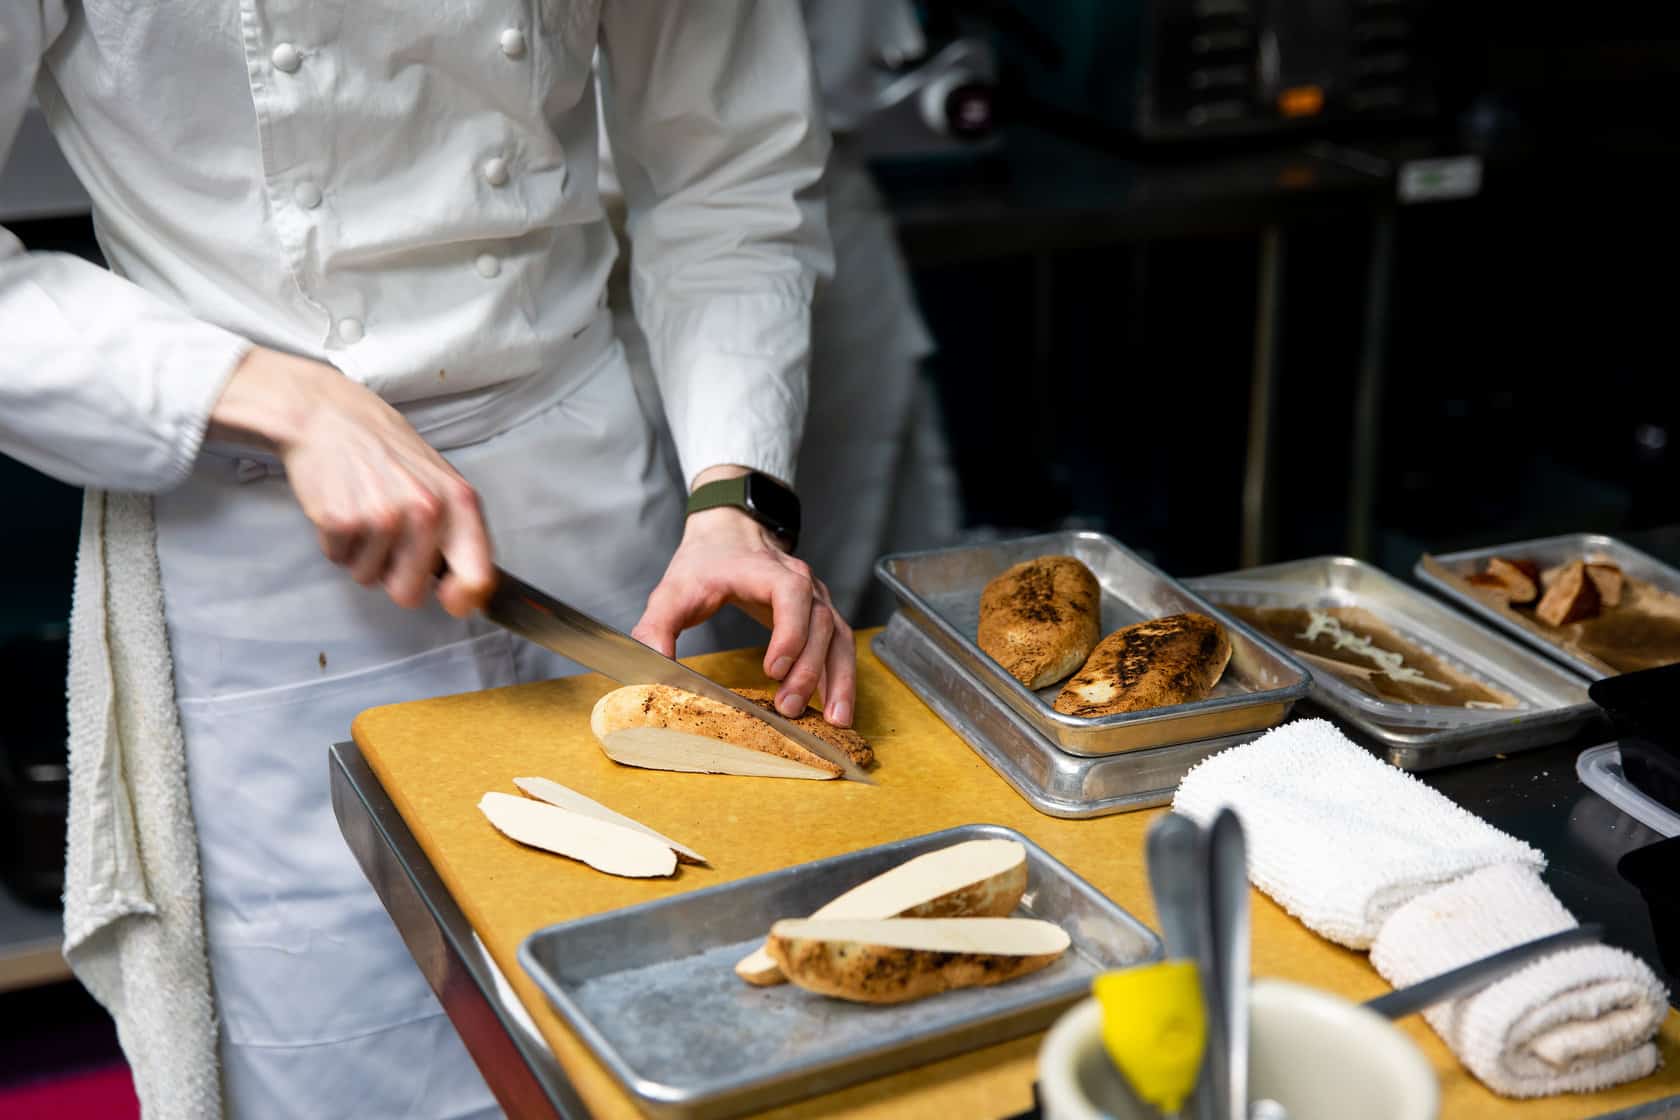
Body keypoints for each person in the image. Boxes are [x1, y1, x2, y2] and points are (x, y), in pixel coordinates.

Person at [1, 4, 849, 1116]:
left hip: (605, 520)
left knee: (669, 1022)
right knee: (354, 1059)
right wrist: (270, 393)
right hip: (269, 563)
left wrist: (737, 498)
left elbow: (725, 166)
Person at [604, 0, 962, 640]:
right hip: (578, 308)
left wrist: (732, 504)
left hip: (783, 229)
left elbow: (726, 172)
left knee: (868, 592)